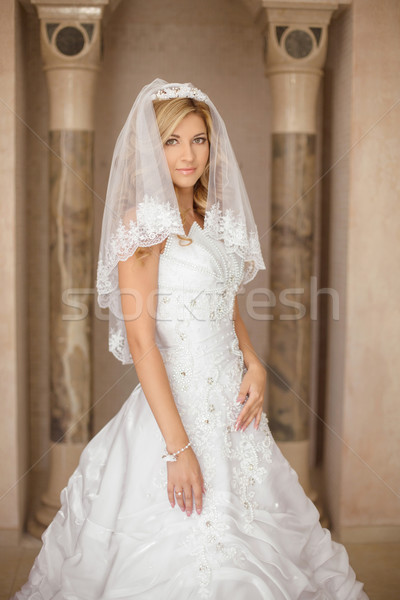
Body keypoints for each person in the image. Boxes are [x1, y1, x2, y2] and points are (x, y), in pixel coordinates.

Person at [13, 79, 369, 599]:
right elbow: (142, 344)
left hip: (233, 407)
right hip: (174, 410)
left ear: (211, 145)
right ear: (152, 148)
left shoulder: (210, 221)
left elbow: (226, 306)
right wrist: (178, 449)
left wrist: (253, 363)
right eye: (173, 140)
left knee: (266, 535)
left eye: (198, 139)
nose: (187, 153)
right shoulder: (142, 226)